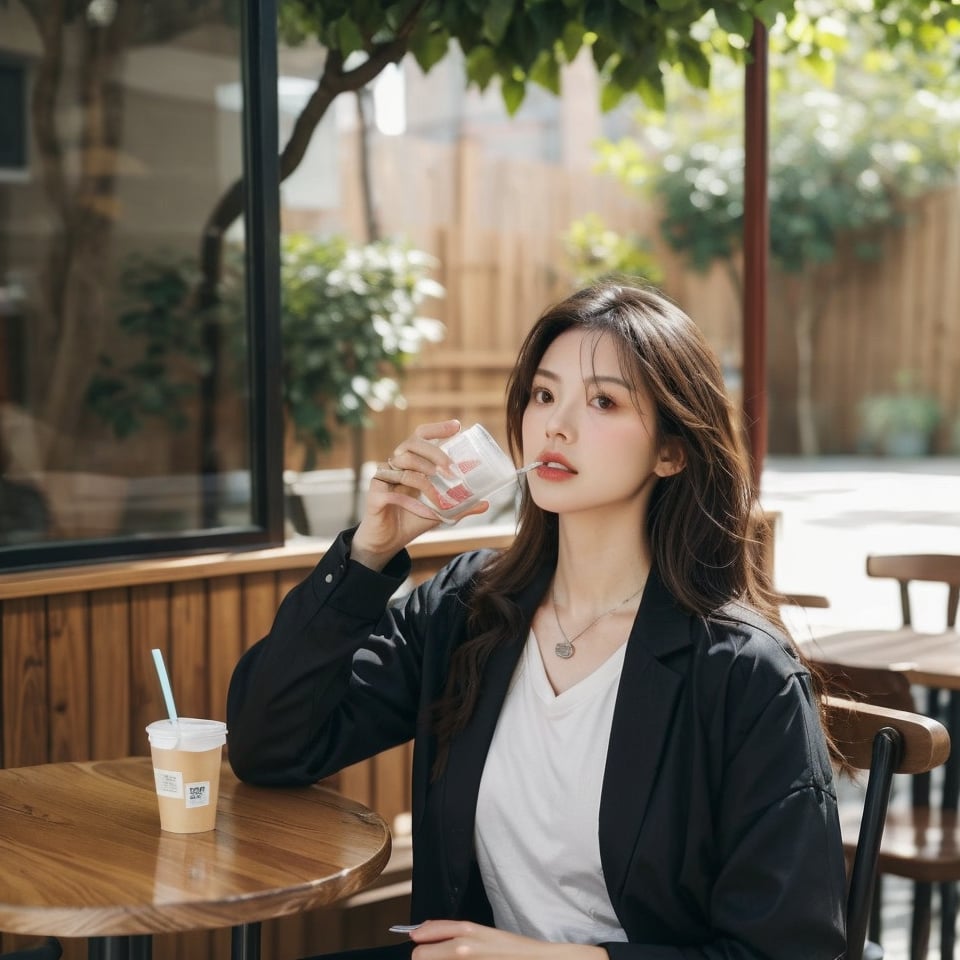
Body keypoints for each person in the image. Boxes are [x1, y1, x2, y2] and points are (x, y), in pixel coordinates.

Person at [226, 280, 847, 960]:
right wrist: (370, 554)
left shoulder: (743, 674)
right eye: (544, 395)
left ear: (672, 452)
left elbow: (788, 951)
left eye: (603, 401)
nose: (556, 424)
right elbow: (271, 746)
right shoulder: (469, 607)